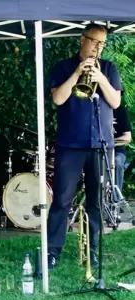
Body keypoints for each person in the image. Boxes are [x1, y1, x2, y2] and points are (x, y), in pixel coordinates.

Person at [47, 24, 123, 269]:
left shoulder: (109, 68)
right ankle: (52, 252)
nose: (98, 48)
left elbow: (115, 101)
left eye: (102, 44)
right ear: (82, 39)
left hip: (101, 144)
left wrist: (100, 78)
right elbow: (58, 98)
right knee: (61, 199)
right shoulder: (63, 67)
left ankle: (93, 251)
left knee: (96, 201)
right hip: (70, 144)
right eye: (94, 42)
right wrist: (78, 72)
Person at [113, 105, 132, 200]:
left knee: (117, 162)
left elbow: (127, 138)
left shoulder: (121, 111)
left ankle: (116, 199)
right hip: (96, 150)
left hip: (117, 150)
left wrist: (111, 142)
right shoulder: (94, 108)